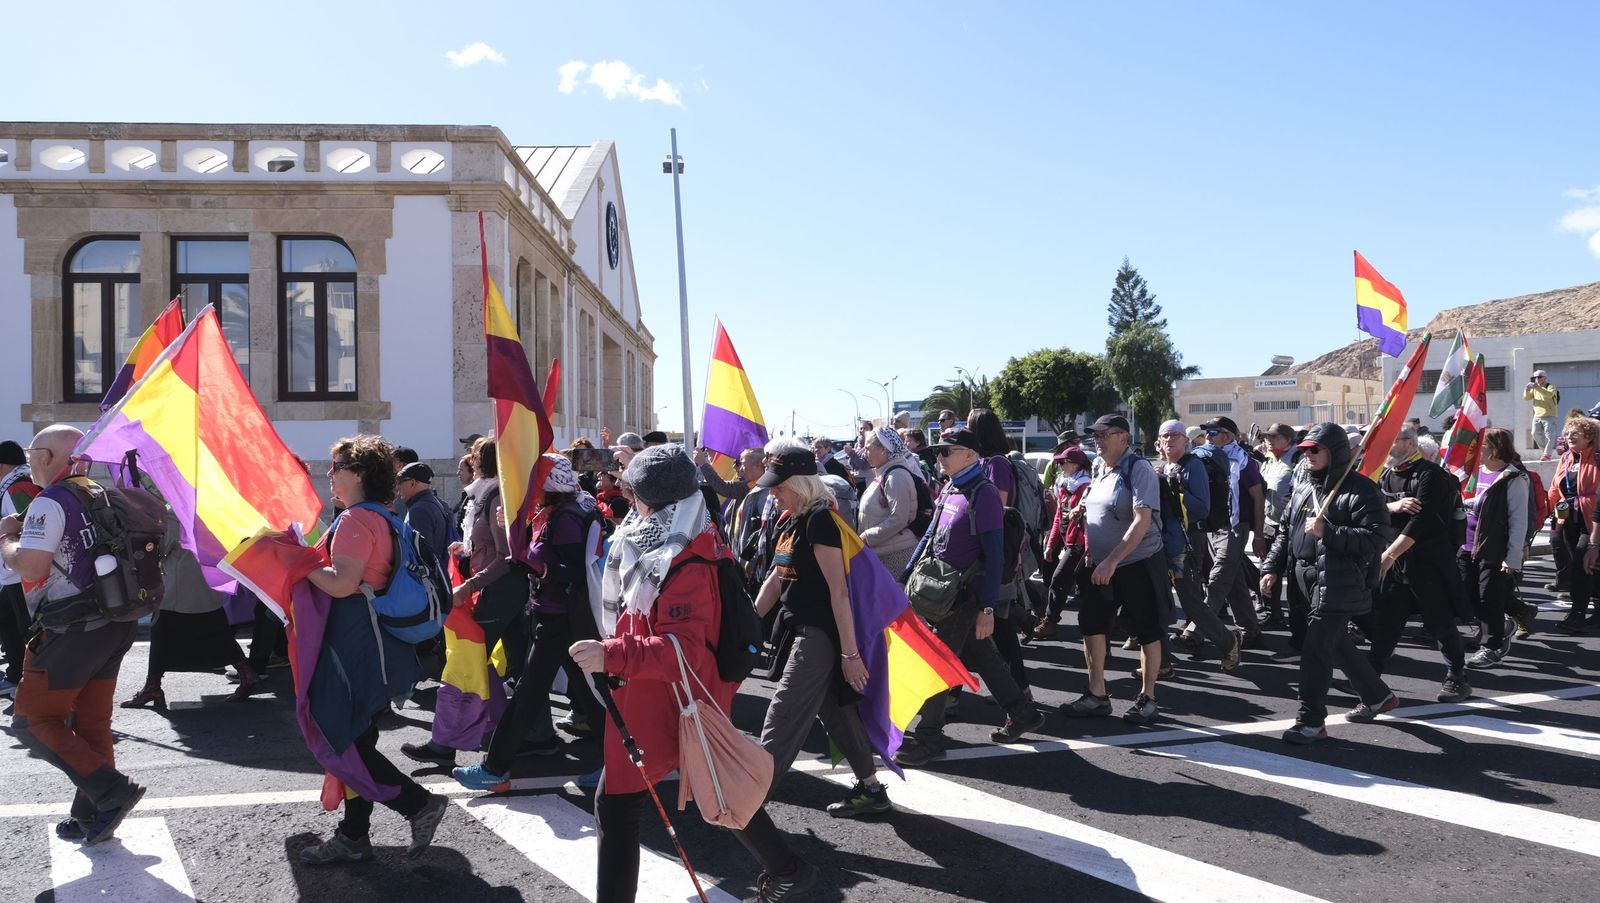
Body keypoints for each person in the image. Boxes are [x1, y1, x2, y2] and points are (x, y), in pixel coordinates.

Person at [565, 444, 818, 903]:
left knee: (621, 805)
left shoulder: (684, 557)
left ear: (651, 498)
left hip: (661, 698)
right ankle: (788, 869)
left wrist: (612, 654)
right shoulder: (672, 536)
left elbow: (684, 650)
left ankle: (789, 869)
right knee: (717, 781)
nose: (628, 499)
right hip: (663, 695)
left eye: (632, 490)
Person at [298, 435, 450, 865]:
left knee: (341, 739)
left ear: (360, 473)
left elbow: (342, 583)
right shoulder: (383, 516)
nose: (330, 473)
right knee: (356, 738)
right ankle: (353, 836)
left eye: (338, 465)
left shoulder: (354, 521)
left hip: (355, 648)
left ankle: (416, 804)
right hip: (376, 646)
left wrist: (301, 565)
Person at [1, 425, 145, 845]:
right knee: (92, 722)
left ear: (47, 457)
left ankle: (113, 792)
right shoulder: (97, 492)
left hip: (73, 628)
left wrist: (7, 537)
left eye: (32, 453)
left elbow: (29, 567)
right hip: (116, 620)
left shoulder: (50, 503)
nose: (29, 461)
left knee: (33, 720)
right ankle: (92, 812)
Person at [750, 440, 890, 818]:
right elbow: (776, 580)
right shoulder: (791, 521)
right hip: (800, 631)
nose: (773, 493)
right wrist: (749, 624)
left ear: (800, 484)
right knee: (836, 713)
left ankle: (747, 799)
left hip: (819, 635)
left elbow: (839, 592)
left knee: (784, 713)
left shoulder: (821, 522)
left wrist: (849, 655)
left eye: (779, 486)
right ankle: (872, 789)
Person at [894, 428, 1045, 767]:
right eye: (938, 452)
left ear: (970, 455)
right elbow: (930, 538)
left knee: (935, 663)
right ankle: (1023, 713)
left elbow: (994, 557)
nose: (940, 457)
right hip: (938, 593)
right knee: (985, 657)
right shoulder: (950, 488)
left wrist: (988, 607)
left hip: (965, 596)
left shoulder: (984, 494)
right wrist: (903, 579)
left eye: (947, 451)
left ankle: (929, 737)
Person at [454, 454, 604, 785]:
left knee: (528, 693)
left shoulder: (565, 517)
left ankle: (495, 767)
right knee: (589, 691)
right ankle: (621, 761)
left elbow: (570, 571)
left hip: (559, 620)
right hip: (553, 616)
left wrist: (530, 560)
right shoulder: (559, 510)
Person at [1262, 423, 1398, 745]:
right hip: (1304, 582)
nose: (1307, 455)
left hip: (1339, 584)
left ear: (1334, 452)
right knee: (1336, 645)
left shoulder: (1362, 490)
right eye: (1305, 449)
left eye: (1315, 449)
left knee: (1315, 651)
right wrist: (1272, 567)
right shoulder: (1302, 487)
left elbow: (1377, 538)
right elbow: (1285, 532)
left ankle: (1310, 722)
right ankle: (1378, 696)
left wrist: (1330, 532)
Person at [1059, 415, 1168, 723]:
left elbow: (1142, 521)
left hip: (1137, 562)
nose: (1098, 439)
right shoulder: (1099, 467)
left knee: (1147, 629)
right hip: (1100, 563)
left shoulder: (1139, 469)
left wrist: (1112, 561)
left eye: (1105, 434)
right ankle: (1096, 694)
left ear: (1124, 437)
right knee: (1091, 624)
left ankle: (1148, 698)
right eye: (1096, 435)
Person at [1359, 426, 1470, 703]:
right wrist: (1393, 506)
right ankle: (1370, 681)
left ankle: (1457, 677)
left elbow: (1421, 523)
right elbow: (1371, 506)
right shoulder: (1386, 474)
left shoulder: (1431, 475)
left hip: (1428, 564)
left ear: (1409, 443)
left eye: (1392, 442)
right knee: (1386, 624)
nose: (1387, 448)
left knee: (1441, 625)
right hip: (1396, 565)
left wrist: (1389, 556)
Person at [120, 519, 262, 709]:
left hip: (180, 582)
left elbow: (161, 549)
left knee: (161, 629)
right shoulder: (213, 509)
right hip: (208, 578)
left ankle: (152, 686)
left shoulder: (176, 512)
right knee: (216, 631)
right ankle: (247, 673)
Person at [1154, 420, 1240, 674]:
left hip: (1187, 542)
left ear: (1186, 440)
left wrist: (1176, 489)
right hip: (1163, 541)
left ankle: (1229, 641)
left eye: (1175, 435)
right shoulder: (1165, 467)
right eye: (1165, 436)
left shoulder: (1193, 466)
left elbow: (1202, 508)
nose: (1169, 440)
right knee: (1156, 598)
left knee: (1192, 603)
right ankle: (1160, 659)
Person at [1463, 428, 1533, 669]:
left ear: (1493, 449)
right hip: (1467, 544)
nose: (1474, 450)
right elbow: (1478, 501)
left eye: (1480, 446)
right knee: (1465, 594)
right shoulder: (1477, 472)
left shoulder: (1513, 478)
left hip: (1494, 547)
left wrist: (1513, 556)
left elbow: (1518, 519)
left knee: (1488, 598)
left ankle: (1491, 646)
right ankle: (1503, 625)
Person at [1193, 416, 1266, 647]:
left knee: (1219, 576)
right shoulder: (1203, 459)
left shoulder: (1244, 462)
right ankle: (1250, 629)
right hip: (1212, 527)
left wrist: (1259, 535)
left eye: (1212, 432)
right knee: (1233, 579)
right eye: (1206, 433)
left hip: (1235, 527)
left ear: (1227, 436)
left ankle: (1196, 629)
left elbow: (1258, 498)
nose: (1207, 437)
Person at [1032, 445, 1092, 640]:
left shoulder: (1085, 486)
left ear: (1075, 464)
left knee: (1061, 580)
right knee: (1083, 588)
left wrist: (1088, 549)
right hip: (1069, 543)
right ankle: (1099, 634)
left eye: (1063, 463)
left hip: (1081, 544)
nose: (1059, 467)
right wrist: (1051, 544)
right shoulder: (1066, 485)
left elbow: (1089, 521)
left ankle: (1050, 622)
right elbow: (1059, 516)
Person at [0, 439, 41, 697]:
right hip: (13, 571)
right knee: (8, 621)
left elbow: (27, 525)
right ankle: (16, 675)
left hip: (19, 571)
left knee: (27, 629)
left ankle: (27, 681)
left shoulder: (17, 487)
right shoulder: (14, 484)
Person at [856, 428, 921, 579]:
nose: (864, 453)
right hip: (884, 551)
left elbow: (899, 519)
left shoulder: (896, 476)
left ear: (884, 450)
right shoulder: (885, 474)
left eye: (868, 448)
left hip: (896, 555)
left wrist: (866, 537)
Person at [1556, 415, 1600, 634]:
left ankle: (1577, 614)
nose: (1569, 437)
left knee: (1580, 565)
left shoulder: (1598, 457)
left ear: (1589, 437)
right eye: (1567, 433)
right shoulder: (1566, 458)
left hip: (1592, 520)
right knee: (1587, 565)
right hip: (1570, 519)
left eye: (1575, 433)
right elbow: (1557, 487)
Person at [1255, 423, 1299, 628]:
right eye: (1267, 437)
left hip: (1294, 526)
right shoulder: (1269, 460)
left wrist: (1295, 498)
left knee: (1293, 574)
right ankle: (1273, 613)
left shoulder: (1299, 459)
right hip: (1271, 523)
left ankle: (1300, 616)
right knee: (1268, 569)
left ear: (1288, 440)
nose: (1269, 440)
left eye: (1275, 437)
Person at [396, 462, 455, 565]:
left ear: (412, 483)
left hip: (426, 578)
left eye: (400, 482)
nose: (398, 487)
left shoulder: (419, 510)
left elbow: (422, 557)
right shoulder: (438, 503)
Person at [1525, 370, 1560, 461]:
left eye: (1539, 377)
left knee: (1549, 435)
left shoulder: (1550, 386)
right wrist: (1527, 389)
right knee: (1534, 433)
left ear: (1545, 378)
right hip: (1537, 415)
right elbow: (1526, 398)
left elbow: (1548, 395)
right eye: (1535, 377)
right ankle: (1546, 452)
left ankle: (1546, 454)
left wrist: (1537, 388)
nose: (1537, 379)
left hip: (1549, 415)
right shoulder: (1535, 388)